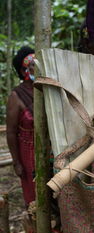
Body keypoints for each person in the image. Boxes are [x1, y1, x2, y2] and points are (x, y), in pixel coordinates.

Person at [6, 46, 35, 207]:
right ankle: (36, 227)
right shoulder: (16, 95)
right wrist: (16, 162)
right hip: (27, 153)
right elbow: (10, 132)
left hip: (49, 150)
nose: (35, 68)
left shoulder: (46, 90)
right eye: (32, 65)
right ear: (24, 69)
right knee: (33, 193)